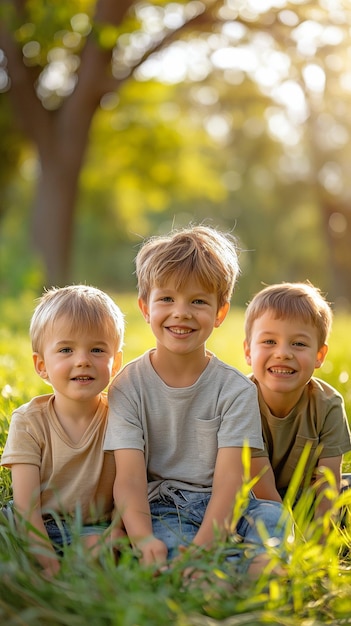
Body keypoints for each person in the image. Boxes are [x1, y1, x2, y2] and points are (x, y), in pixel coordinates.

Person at [104, 225, 285, 577]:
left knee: (273, 517)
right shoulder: (127, 386)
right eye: (167, 299)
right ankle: (205, 575)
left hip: (228, 502)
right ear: (145, 307)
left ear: (220, 312)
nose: (181, 312)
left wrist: (206, 543)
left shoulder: (235, 391)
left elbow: (232, 481)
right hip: (164, 505)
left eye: (198, 301)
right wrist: (142, 540)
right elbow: (128, 479)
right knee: (172, 543)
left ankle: (253, 567)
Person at [1, 284, 125, 577]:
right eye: (66, 349)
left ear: (116, 362)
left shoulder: (121, 417)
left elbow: (130, 490)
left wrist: (116, 532)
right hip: (36, 523)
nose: (82, 360)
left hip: (95, 528)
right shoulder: (29, 422)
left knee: (108, 544)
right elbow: (26, 508)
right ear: (42, 365)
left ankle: (76, 571)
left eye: (97, 349)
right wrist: (46, 557)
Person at [243, 281, 351, 523]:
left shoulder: (328, 404)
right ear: (248, 351)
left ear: (319, 356)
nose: (283, 353)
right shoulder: (239, 400)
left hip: (305, 495)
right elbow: (261, 487)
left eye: (299, 344)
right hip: (252, 497)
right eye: (269, 341)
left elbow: (328, 484)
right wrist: (291, 539)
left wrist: (320, 543)